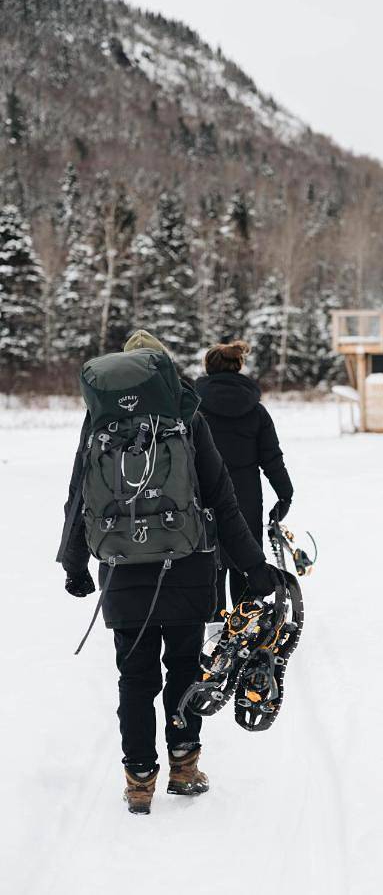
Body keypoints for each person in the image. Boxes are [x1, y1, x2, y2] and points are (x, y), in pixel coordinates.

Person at [59, 330, 278, 815]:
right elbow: (222, 497)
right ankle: (184, 765)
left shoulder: (99, 420)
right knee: (183, 667)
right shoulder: (185, 414)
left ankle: (139, 779)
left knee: (134, 677)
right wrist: (253, 567)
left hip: (119, 567)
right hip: (187, 563)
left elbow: (80, 496)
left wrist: (74, 563)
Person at [195, 340, 294, 617]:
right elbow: (272, 458)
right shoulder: (256, 410)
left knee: (209, 568)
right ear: (239, 366)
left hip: (203, 496)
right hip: (245, 498)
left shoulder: (193, 410)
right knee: (246, 564)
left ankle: (212, 636)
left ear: (207, 368)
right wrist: (285, 494)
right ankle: (244, 635)